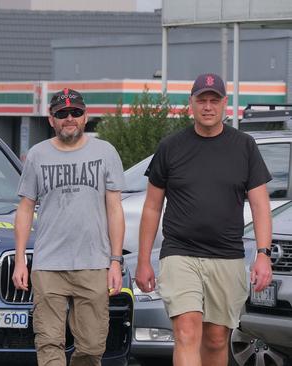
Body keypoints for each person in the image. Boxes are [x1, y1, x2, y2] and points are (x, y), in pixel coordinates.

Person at [134, 73, 274, 366]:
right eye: (202, 100)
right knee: (186, 330)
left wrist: (263, 254)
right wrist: (144, 259)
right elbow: (151, 207)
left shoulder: (244, 146)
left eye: (214, 100)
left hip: (227, 257)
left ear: (225, 104)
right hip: (180, 254)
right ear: (191, 104)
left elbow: (261, 205)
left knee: (216, 339)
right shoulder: (171, 147)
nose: (208, 106)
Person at [12, 89, 126, 366]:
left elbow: (115, 209)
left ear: (85, 116)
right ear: (51, 119)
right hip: (48, 265)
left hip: (94, 263)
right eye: (62, 114)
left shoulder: (105, 152)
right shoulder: (37, 155)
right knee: (49, 343)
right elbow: (25, 208)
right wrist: (19, 261)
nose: (69, 118)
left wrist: (115, 260)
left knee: (91, 346)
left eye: (75, 112)